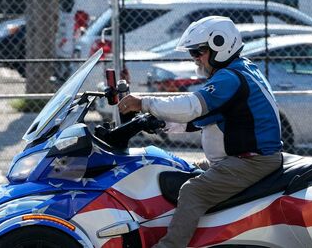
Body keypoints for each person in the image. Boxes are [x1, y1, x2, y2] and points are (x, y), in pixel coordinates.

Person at [117, 16, 283, 248]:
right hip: (240, 159)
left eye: (198, 52)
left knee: (192, 191)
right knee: (173, 168)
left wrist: (143, 102)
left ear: (220, 45)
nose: (195, 59)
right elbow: (203, 118)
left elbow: (192, 106)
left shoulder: (229, 78)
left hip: (251, 162)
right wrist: (158, 123)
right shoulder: (241, 70)